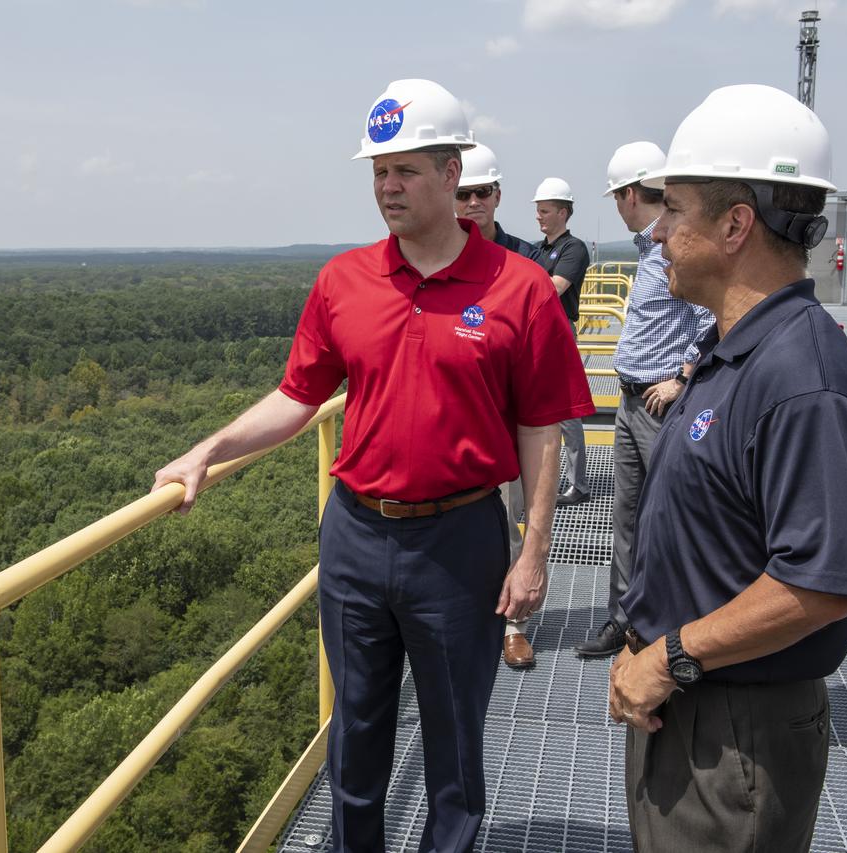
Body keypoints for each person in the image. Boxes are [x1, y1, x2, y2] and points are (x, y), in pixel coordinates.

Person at [153, 78, 594, 853]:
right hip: (355, 535)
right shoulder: (344, 281)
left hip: (459, 542)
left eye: (406, 171)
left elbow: (541, 428)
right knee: (355, 735)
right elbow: (297, 397)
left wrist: (533, 552)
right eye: (378, 172)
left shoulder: (518, 289)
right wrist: (207, 450)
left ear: (453, 174)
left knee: (455, 743)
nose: (388, 188)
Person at [606, 84, 847, 852]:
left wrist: (669, 654)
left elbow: (820, 582)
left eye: (675, 211)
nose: (658, 233)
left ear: (735, 225)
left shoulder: (802, 380)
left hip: (736, 733)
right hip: (693, 699)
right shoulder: (737, 349)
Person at [574, 141, 714, 659]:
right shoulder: (649, 251)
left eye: (617, 197)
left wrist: (681, 379)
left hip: (660, 404)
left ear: (630, 193)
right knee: (628, 516)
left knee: (669, 516)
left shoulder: (677, 249)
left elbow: (709, 321)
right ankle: (624, 619)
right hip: (632, 403)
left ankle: (672, 626)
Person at [454, 142, 543, 670]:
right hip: (465, 420)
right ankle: (468, 613)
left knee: (515, 516)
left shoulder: (523, 261)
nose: (471, 203)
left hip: (513, 419)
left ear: (497, 196)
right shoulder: (437, 258)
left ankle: (513, 624)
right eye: (462, 194)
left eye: (481, 193)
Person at [532, 177, 592, 506]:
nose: (539, 217)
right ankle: (547, 477)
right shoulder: (538, 249)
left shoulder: (573, 248)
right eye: (538, 211)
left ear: (563, 213)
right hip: (536, 331)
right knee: (539, 409)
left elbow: (553, 289)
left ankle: (578, 484)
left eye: (545, 210)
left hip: (558, 330)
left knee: (566, 411)